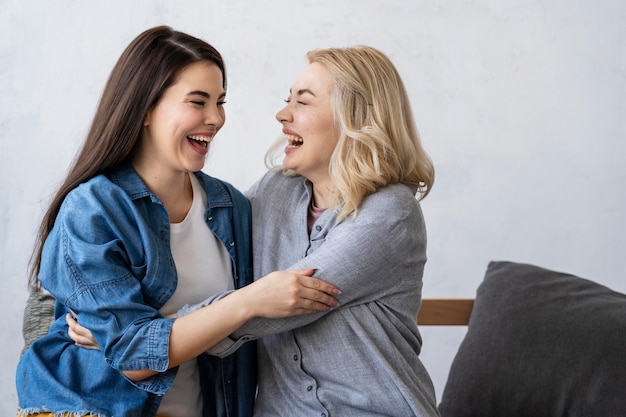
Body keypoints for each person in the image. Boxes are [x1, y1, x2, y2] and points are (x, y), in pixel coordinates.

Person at [45, 45, 440, 416]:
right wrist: (124, 334)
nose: (282, 115)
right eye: (199, 101)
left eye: (301, 101)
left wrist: (132, 337)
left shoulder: (390, 213)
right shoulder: (273, 193)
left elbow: (279, 304)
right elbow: (248, 297)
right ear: (144, 108)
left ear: (356, 118)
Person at [15, 26, 339, 417]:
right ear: (146, 107)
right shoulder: (92, 210)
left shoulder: (232, 206)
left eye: (220, 102)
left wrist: (139, 332)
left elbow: (137, 342)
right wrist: (250, 301)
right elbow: (135, 359)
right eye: (198, 102)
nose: (215, 118)